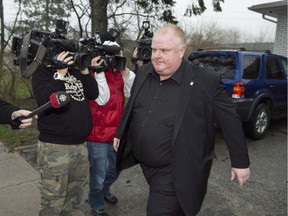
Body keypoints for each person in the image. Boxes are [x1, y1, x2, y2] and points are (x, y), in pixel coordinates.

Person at [113, 24, 250, 216]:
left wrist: (240, 162)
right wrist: (120, 132)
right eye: (154, 49)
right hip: (145, 165)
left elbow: (230, 120)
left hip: (176, 170)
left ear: (181, 51)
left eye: (164, 50)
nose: (156, 55)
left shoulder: (205, 81)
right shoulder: (144, 73)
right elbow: (133, 107)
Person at [32, 51, 99, 216]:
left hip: (79, 146)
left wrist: (84, 70)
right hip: (55, 147)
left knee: (74, 199)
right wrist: (59, 74)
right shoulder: (42, 72)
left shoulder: (75, 71)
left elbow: (93, 94)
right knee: (53, 202)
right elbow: (43, 99)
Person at [87, 42, 135, 216]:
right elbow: (102, 100)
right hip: (97, 134)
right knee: (98, 175)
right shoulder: (92, 73)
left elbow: (133, 91)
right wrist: (99, 73)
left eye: (115, 55)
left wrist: (125, 70)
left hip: (117, 133)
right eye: (108, 55)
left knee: (116, 168)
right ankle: (96, 203)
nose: (110, 59)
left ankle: (103, 190)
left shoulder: (117, 73)